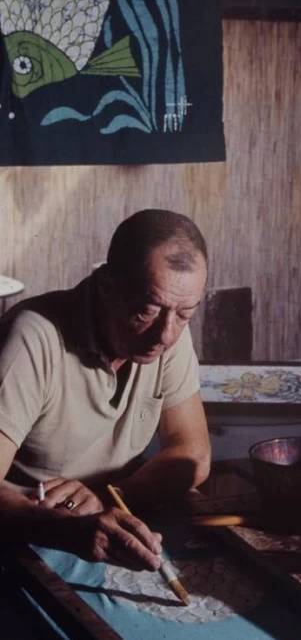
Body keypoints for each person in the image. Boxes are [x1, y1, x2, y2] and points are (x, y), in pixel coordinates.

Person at [0, 209, 211, 573]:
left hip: (111, 517)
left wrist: (107, 499)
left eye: (185, 314)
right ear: (106, 286)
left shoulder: (168, 326)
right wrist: (66, 528)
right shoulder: (33, 336)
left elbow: (193, 453)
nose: (165, 335)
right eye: (146, 311)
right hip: (28, 532)